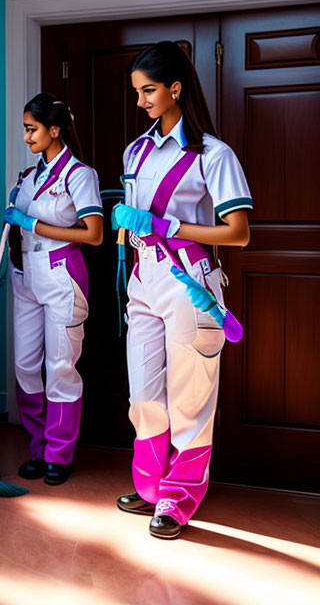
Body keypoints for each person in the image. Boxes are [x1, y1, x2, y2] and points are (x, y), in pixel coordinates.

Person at [113, 41, 252, 539]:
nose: (140, 102)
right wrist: (128, 227)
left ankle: (178, 496)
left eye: (148, 90)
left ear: (175, 88)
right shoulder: (135, 151)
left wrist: (169, 226)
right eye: (137, 92)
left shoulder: (214, 155)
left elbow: (238, 231)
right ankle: (151, 488)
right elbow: (135, 221)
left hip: (190, 281)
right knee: (144, 393)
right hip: (143, 280)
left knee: (188, 396)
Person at [0, 93, 103, 486]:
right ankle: (39, 447)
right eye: (25, 129)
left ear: (53, 130)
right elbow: (14, 225)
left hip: (61, 274)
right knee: (26, 364)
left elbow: (93, 234)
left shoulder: (79, 175)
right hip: (25, 274)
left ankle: (58, 453)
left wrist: (33, 223)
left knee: (59, 367)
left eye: (31, 129)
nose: (26, 137)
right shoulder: (26, 177)